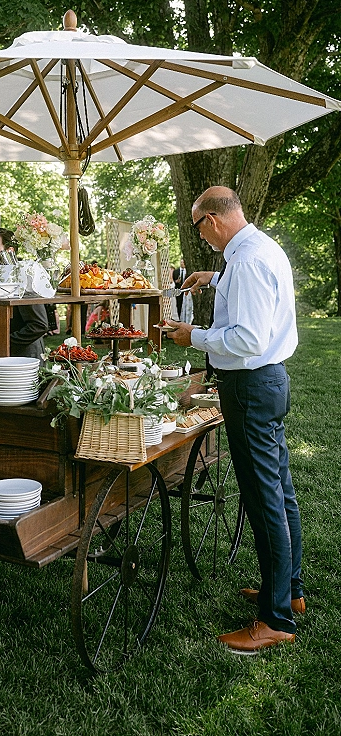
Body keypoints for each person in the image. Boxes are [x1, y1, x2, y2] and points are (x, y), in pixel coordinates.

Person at [168, 186, 303, 654]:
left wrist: (194, 336)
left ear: (212, 221)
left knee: (264, 500)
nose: (201, 237)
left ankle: (274, 618)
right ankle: (292, 591)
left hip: (249, 387)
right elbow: (252, 303)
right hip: (272, 382)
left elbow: (246, 338)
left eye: (198, 227)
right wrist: (216, 281)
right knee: (281, 491)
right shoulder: (257, 247)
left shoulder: (242, 262)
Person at [0, 228, 49, 360]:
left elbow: (39, 325)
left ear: (10, 251)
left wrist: (2, 344)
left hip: (25, 359)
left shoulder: (24, 275)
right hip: (0, 358)